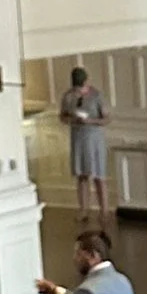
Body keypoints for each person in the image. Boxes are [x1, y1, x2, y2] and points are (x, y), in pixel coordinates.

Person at [59, 64, 108, 222]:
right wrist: (72, 119)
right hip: (78, 138)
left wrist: (90, 120)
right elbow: (62, 116)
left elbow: (107, 118)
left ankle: (104, 210)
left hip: (94, 139)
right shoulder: (68, 96)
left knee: (99, 176)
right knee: (81, 175)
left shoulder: (96, 96)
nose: (80, 90)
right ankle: (83, 210)